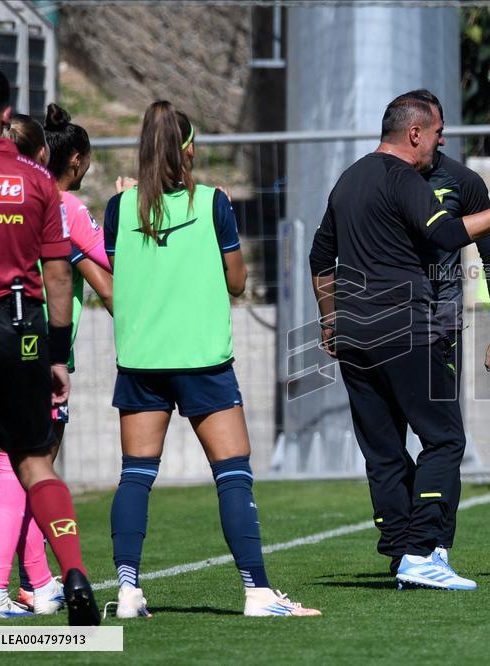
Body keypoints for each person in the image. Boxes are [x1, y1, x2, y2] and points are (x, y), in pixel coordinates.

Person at [309, 91, 490, 590]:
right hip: (407, 329)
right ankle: (423, 551)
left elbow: (319, 260)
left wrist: (331, 322)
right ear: (415, 133)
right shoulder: (404, 178)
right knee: (444, 438)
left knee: (382, 448)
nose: (443, 139)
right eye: (438, 131)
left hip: (355, 335)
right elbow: (447, 237)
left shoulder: (349, 178)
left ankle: (403, 552)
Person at [103, 100, 320, 618]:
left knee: (135, 474)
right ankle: (257, 592)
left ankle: (128, 591)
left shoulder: (119, 209)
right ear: (187, 149)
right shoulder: (213, 203)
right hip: (202, 359)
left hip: (140, 360)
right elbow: (239, 282)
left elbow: (121, 277)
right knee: (232, 473)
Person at [0, 66, 100, 626]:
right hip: (21, 331)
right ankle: (72, 572)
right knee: (35, 461)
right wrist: (58, 352)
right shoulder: (36, 178)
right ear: (5, 115)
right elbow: (60, 274)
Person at [387, 90, 490, 573]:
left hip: (439, 324)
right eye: (438, 129)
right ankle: (402, 541)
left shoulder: (461, 181)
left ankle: (435, 545)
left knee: (443, 436)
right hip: (388, 326)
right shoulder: (383, 177)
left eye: (442, 132)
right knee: (388, 442)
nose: (441, 138)